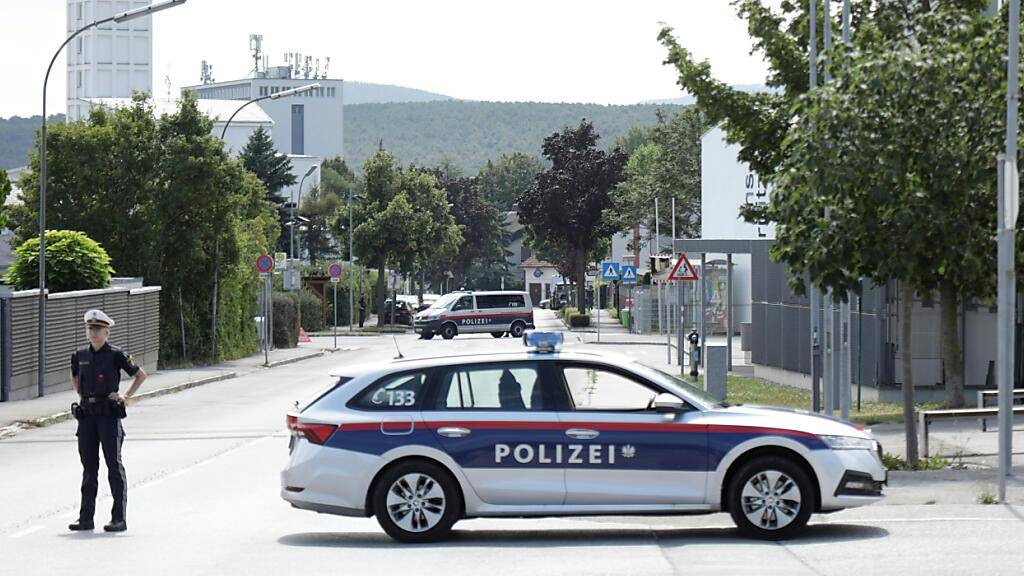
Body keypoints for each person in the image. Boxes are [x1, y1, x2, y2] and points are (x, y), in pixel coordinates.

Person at [68, 309, 147, 533]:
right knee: (89, 468)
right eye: (90, 328)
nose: (93, 332)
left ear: (106, 332)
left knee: (113, 465)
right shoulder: (80, 355)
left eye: (97, 329)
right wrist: (82, 394)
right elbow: (74, 376)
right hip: (86, 417)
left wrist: (125, 396)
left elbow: (140, 374)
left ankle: (118, 518)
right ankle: (86, 518)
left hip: (108, 416)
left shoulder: (116, 354)